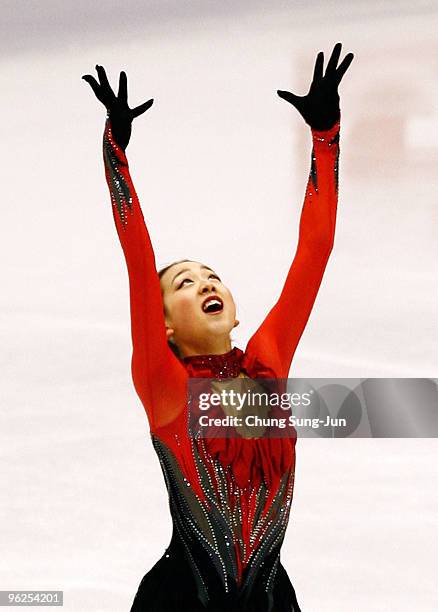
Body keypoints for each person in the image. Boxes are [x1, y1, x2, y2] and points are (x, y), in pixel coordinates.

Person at [82, 42, 353, 612]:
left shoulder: (267, 362)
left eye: (212, 277)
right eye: (184, 283)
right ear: (165, 327)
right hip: (182, 602)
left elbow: (316, 249)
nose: (206, 284)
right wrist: (115, 152)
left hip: (272, 600)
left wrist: (325, 136)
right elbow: (137, 258)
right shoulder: (165, 385)